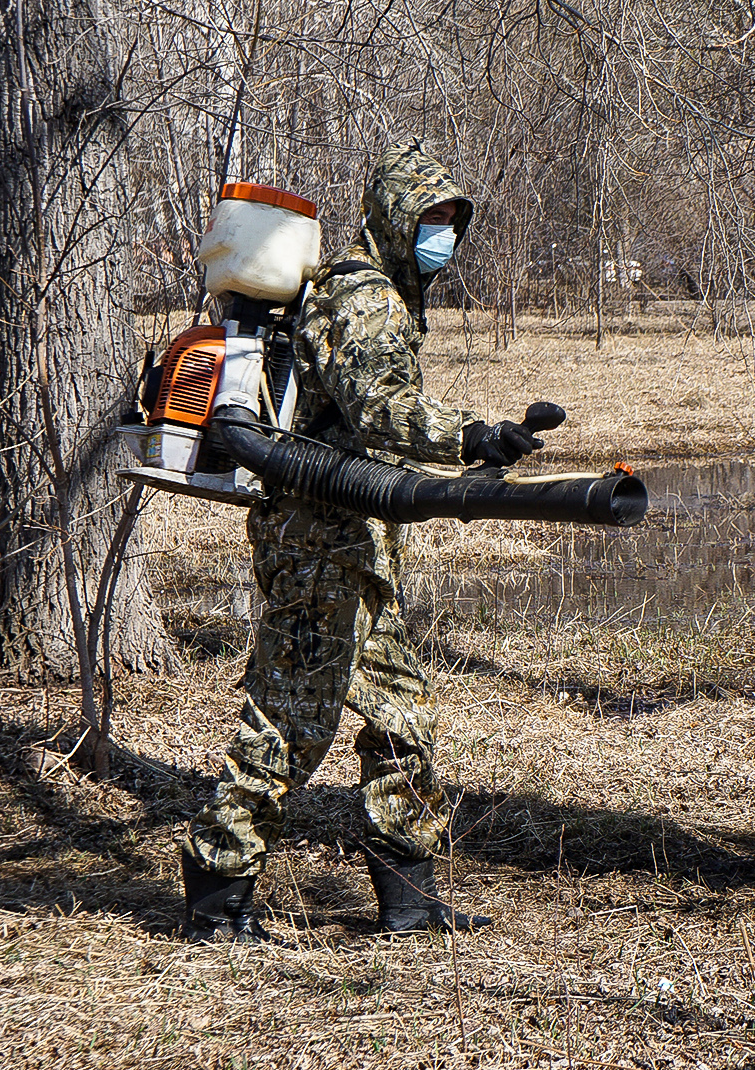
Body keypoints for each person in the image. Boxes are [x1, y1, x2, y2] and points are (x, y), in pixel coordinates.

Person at [179, 138, 537, 941]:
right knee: (290, 718)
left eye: (451, 221)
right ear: (392, 218)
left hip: (357, 536)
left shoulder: (388, 297)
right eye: (429, 219)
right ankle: (217, 893)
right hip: (316, 537)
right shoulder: (363, 296)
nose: (440, 235)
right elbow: (379, 409)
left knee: (399, 717)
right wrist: (471, 435)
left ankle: (407, 898)